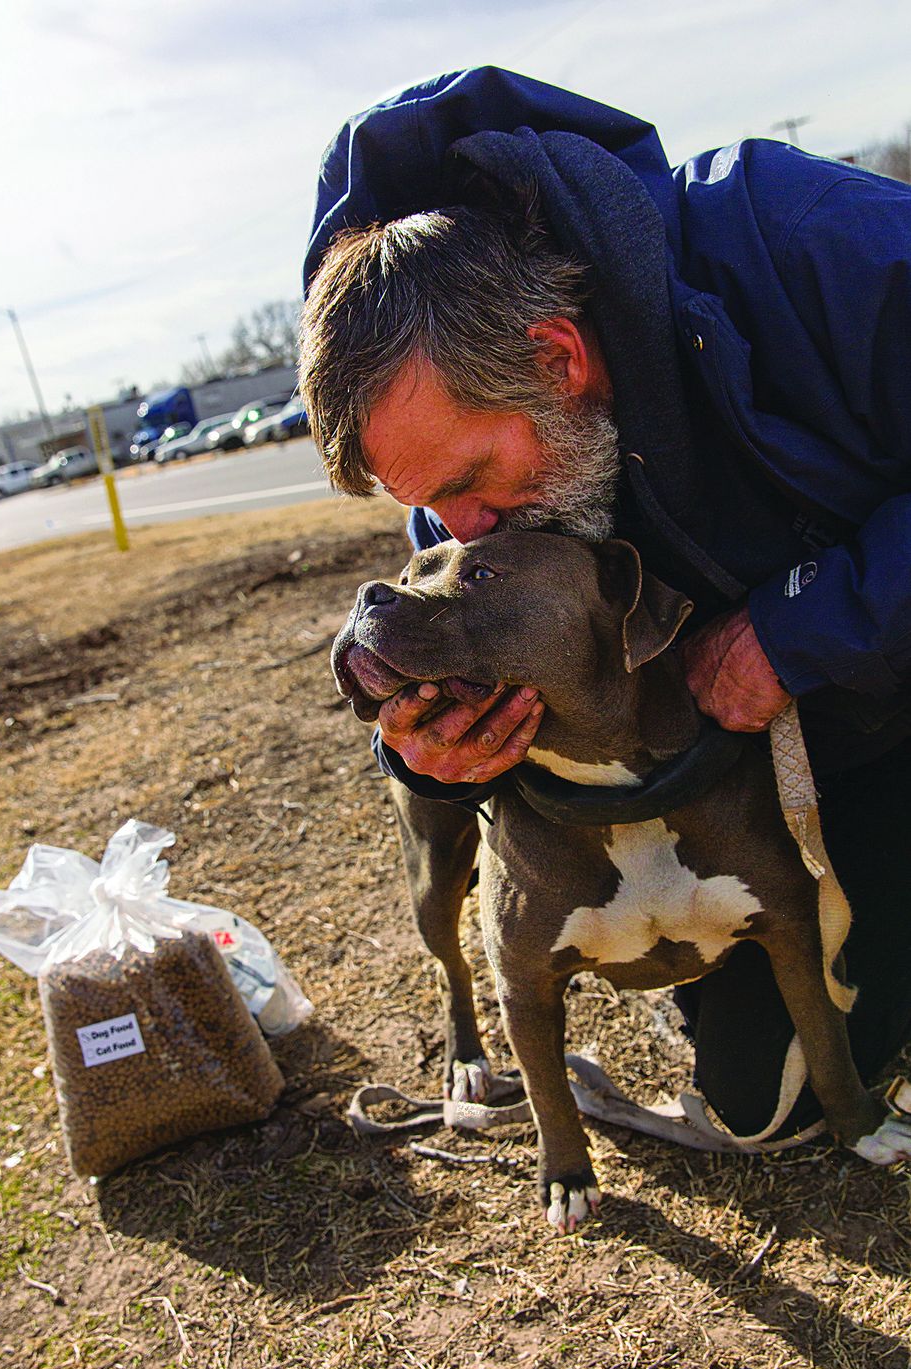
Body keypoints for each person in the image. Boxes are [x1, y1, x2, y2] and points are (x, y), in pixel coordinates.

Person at [300, 67, 911, 1141]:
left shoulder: (796, 236)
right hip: (778, 789)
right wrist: (426, 747)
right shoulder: (481, 508)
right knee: (766, 1097)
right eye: (428, 506)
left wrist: (799, 625)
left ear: (556, 356)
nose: (456, 531)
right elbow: (439, 630)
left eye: (464, 483)